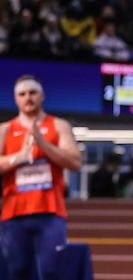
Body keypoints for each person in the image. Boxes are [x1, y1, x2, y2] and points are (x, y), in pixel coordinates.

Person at [0, 75, 82, 280]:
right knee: (17, 271)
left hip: (51, 213)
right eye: (22, 94)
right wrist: (18, 157)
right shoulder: (5, 129)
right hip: (13, 214)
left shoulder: (59, 125)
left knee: (52, 270)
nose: (28, 98)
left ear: (42, 95)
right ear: (16, 99)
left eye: (33, 93)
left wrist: (43, 145)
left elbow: (75, 162)